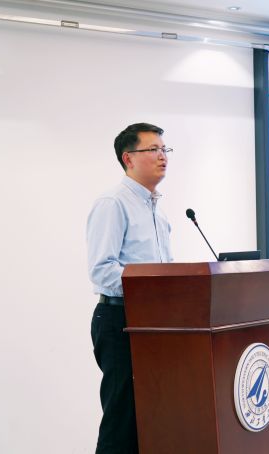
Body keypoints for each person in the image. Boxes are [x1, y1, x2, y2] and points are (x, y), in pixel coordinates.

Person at [84, 122, 174, 454]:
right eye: (154, 149)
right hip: (120, 321)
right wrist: (151, 288)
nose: (163, 156)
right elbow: (102, 271)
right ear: (128, 158)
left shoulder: (157, 212)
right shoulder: (113, 203)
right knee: (121, 422)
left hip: (154, 323)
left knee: (151, 418)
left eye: (165, 149)